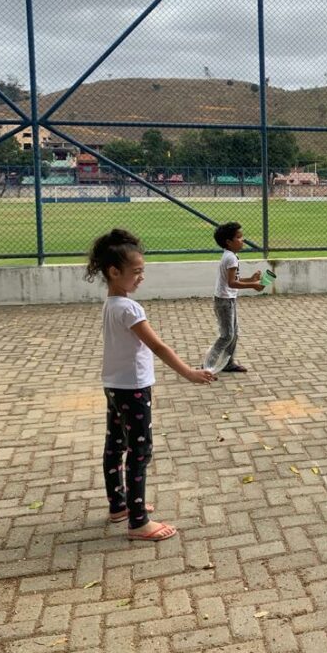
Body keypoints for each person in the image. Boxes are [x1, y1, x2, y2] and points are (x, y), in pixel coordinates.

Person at [85, 228, 215, 542]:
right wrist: (189, 373)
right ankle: (139, 521)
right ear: (114, 272)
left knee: (115, 445)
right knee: (140, 451)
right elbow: (158, 347)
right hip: (134, 388)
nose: (141, 277)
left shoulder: (112, 304)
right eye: (136, 272)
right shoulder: (130, 309)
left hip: (115, 386)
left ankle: (120, 506)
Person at [204, 222, 264, 374]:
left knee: (234, 333)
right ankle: (207, 367)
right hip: (224, 301)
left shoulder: (231, 256)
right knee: (227, 336)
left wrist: (251, 279)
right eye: (239, 237)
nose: (243, 239)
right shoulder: (230, 258)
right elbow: (232, 283)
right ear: (228, 242)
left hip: (228, 300)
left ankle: (228, 363)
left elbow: (232, 279)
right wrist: (253, 285)